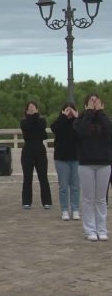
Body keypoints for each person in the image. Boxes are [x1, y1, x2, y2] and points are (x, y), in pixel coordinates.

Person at [73, 93, 112, 241]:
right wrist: (89, 113)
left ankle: (102, 229)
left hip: (104, 163)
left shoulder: (105, 119)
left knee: (101, 199)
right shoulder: (81, 120)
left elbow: (109, 130)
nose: (94, 103)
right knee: (88, 198)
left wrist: (100, 113)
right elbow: (80, 133)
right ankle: (90, 230)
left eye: (97, 101)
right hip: (86, 163)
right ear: (85, 105)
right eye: (91, 101)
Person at [50, 103, 80, 221]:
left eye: (71, 110)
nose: (69, 112)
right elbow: (54, 128)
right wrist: (63, 117)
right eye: (67, 110)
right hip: (61, 158)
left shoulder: (78, 123)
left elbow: (83, 130)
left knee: (75, 186)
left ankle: (76, 209)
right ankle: (64, 210)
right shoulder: (59, 122)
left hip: (76, 158)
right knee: (63, 186)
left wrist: (77, 117)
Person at [20, 101, 52, 209]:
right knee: (27, 177)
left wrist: (35, 116)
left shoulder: (42, 120)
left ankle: (47, 202)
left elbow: (41, 129)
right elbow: (27, 128)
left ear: (37, 110)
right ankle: (26, 201)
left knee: (43, 177)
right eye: (29, 108)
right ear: (26, 110)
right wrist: (31, 117)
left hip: (40, 149)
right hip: (27, 150)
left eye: (33, 107)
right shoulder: (24, 121)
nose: (31, 109)